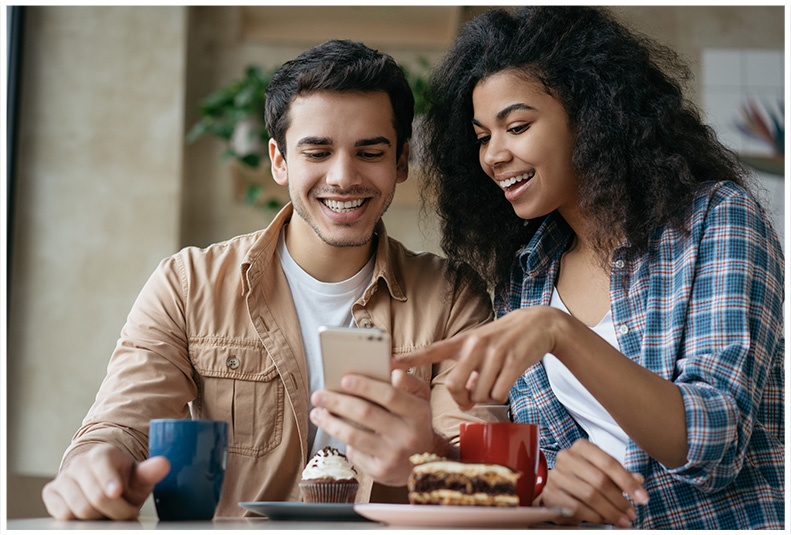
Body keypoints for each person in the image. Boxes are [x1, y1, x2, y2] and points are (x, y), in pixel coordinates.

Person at [41, 39, 497, 520]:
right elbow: (119, 428)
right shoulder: (188, 284)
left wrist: (427, 457)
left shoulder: (453, 298)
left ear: (401, 161)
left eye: (369, 152)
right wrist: (93, 467)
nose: (343, 176)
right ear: (279, 160)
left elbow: (486, 482)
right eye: (317, 152)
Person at [396, 6, 784, 530]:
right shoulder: (528, 274)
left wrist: (561, 333)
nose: (493, 155)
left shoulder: (715, 219)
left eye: (517, 126)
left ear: (593, 111)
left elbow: (715, 440)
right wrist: (441, 442)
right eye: (483, 136)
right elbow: (543, 457)